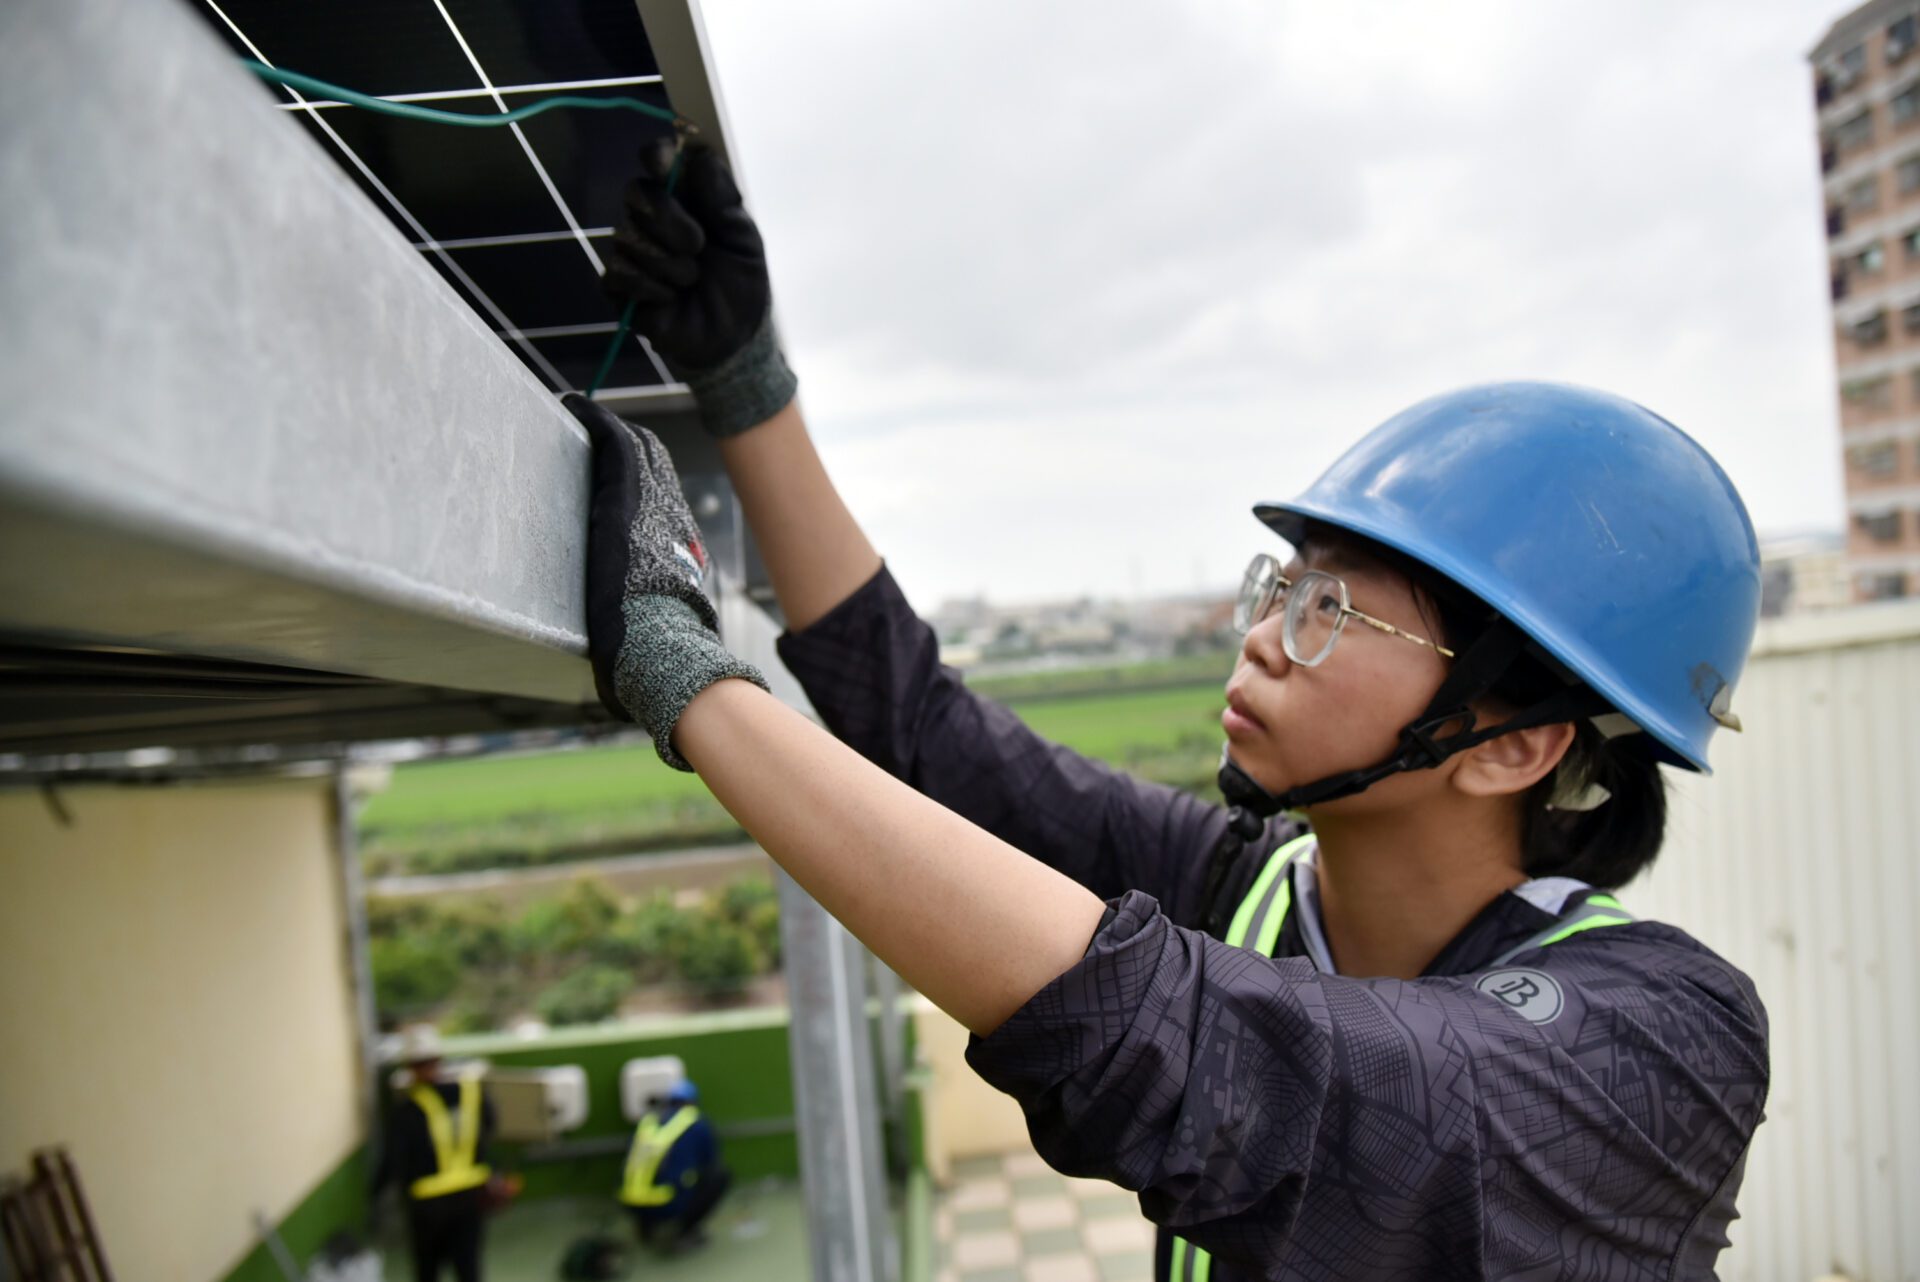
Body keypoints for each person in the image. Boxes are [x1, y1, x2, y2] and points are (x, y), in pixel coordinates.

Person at [558, 140, 1768, 1279]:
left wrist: (690, 681)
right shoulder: (1245, 891)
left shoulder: (1661, 1040)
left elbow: (1233, 1062)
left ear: (1513, 742)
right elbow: (927, 736)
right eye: (1278, 588)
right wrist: (742, 378)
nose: (1261, 639)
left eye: (1329, 612)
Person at [374, 1026, 495, 1282]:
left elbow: (394, 1161)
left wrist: (375, 1194)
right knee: (469, 1268)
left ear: (410, 1068)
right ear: (439, 1059)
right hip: (470, 1198)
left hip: (428, 1208)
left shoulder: (407, 1110)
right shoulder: (471, 1094)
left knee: (428, 1271)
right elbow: (490, 1128)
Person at [618, 1078, 731, 1252]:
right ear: (693, 1102)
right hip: (666, 1204)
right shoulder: (697, 1123)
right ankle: (684, 1233)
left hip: (630, 1201)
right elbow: (710, 1162)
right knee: (720, 1176)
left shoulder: (647, 1121)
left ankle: (645, 1226)